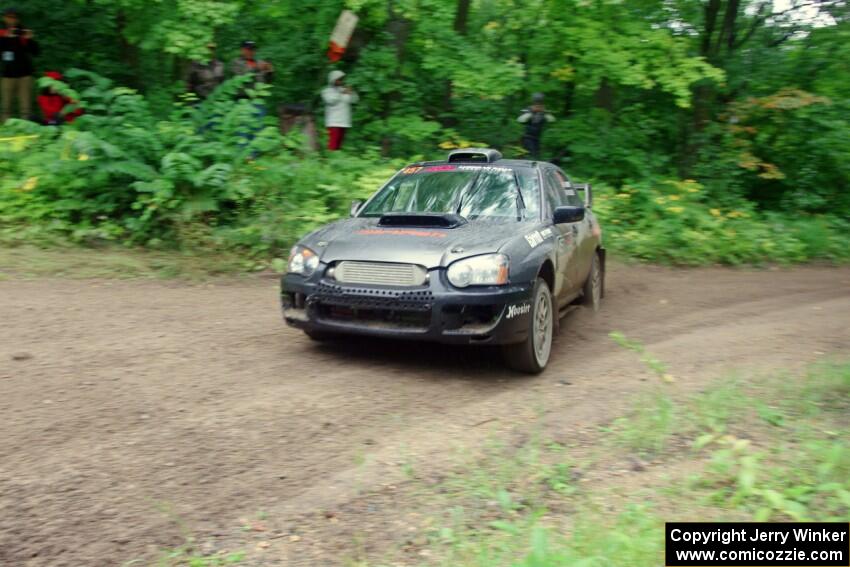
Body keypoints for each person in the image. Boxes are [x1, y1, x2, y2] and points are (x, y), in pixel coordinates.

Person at [0, 7, 39, 122]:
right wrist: (7, 38)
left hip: (25, 75)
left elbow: (36, 52)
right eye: (9, 17)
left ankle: (26, 129)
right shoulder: (2, 32)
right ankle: (4, 130)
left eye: (14, 17)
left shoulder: (23, 32)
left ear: (17, 19)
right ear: (4, 18)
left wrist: (30, 39)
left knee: (26, 108)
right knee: (5, 107)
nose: (11, 20)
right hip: (7, 75)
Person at [321, 70, 357, 151]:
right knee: (332, 145)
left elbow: (355, 100)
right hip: (333, 122)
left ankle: (337, 161)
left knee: (339, 146)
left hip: (344, 122)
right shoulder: (327, 91)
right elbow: (331, 101)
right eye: (338, 79)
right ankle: (329, 160)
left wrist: (352, 92)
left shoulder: (344, 89)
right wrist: (341, 92)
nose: (340, 81)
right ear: (332, 80)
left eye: (341, 79)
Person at [517, 93, 554, 160]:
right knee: (530, 156)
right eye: (537, 103)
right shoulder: (528, 110)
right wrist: (531, 113)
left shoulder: (543, 112)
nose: (538, 105)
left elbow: (552, 120)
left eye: (540, 103)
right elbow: (520, 120)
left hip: (537, 139)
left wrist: (545, 113)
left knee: (537, 157)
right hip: (527, 138)